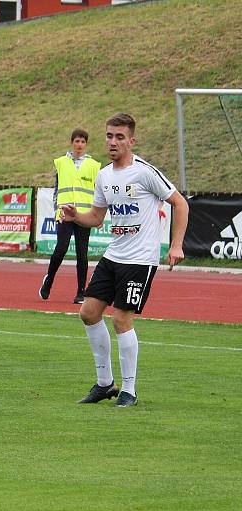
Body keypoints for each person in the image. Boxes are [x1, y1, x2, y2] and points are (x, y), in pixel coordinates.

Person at [60, 113, 189, 408]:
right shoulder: (105, 175)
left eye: (119, 137)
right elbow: (96, 217)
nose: (113, 142)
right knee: (89, 313)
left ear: (131, 140)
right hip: (114, 255)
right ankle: (105, 384)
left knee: (121, 318)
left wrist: (177, 245)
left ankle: (129, 390)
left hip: (140, 259)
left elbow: (180, 203)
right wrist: (75, 216)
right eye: (109, 136)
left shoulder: (144, 172)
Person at [39, 128, 101, 304]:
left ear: (86, 144)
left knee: (82, 253)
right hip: (65, 214)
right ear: (72, 142)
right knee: (61, 248)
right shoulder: (61, 162)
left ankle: (81, 292)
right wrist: (56, 211)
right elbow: (57, 189)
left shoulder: (94, 165)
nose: (79, 145)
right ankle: (49, 279)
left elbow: (98, 192)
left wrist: (96, 215)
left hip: (84, 215)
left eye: (83, 142)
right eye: (77, 141)